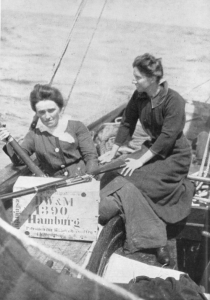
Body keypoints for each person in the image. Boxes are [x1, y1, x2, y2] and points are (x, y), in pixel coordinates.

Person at [99, 53, 195, 265]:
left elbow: (168, 137)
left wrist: (139, 162)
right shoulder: (138, 96)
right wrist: (113, 151)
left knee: (134, 179)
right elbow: (127, 123)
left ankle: (156, 240)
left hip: (174, 155)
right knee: (111, 172)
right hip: (152, 149)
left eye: (137, 77)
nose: (133, 81)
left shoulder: (174, 100)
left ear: (152, 79)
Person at [0, 84, 98, 177]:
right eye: (42, 112)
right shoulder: (34, 135)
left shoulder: (77, 126)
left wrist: (89, 178)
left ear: (60, 109)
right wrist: (7, 141)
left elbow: (90, 156)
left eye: (51, 110)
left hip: (83, 179)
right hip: (52, 185)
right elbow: (19, 160)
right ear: (37, 113)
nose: (47, 117)